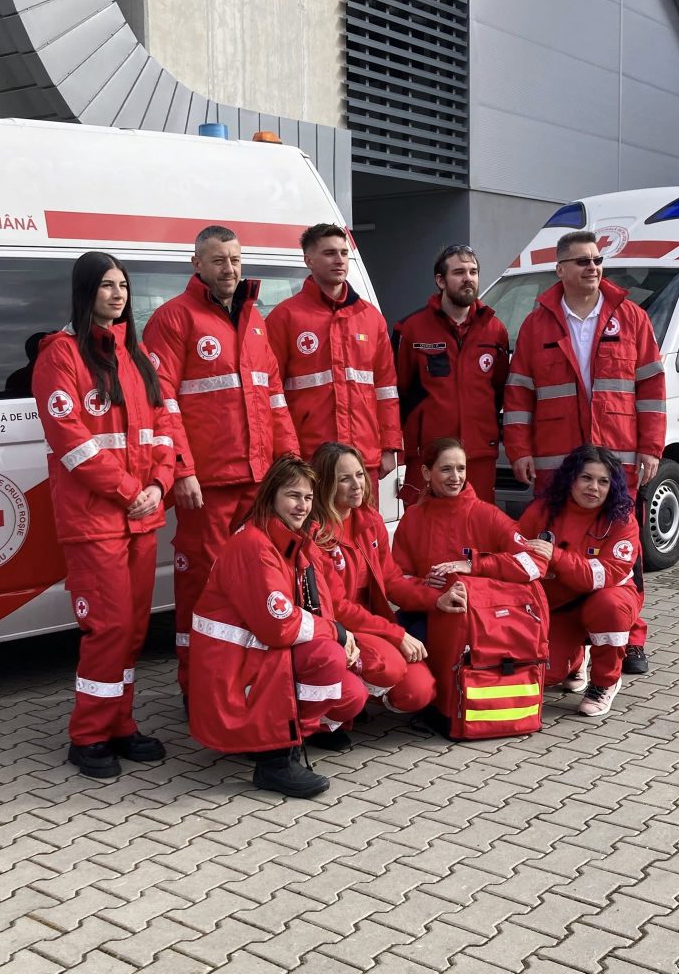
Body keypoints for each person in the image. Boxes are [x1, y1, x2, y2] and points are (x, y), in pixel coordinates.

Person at [32, 252, 175, 778]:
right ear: (85, 291)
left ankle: (120, 724)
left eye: (123, 286)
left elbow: (163, 427)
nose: (118, 295)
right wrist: (131, 489)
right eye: (107, 286)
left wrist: (159, 484)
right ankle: (88, 735)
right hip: (95, 519)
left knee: (133, 630)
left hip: (141, 515)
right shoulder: (60, 356)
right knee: (108, 628)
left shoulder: (138, 355)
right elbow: (71, 441)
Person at [143, 226, 298, 700]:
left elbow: (274, 396)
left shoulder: (254, 319)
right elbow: (161, 402)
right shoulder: (173, 318)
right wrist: (182, 469)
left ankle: (249, 679)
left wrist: (290, 464)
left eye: (234, 259)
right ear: (197, 265)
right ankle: (199, 687)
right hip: (207, 485)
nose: (229, 269)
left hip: (259, 480)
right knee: (203, 583)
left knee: (261, 579)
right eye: (218, 260)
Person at [504, 229, 666, 675]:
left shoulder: (631, 318)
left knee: (623, 554)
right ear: (560, 270)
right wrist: (519, 449)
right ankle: (564, 634)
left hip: (616, 461)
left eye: (597, 260)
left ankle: (631, 637)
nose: (593, 267)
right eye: (582, 261)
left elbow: (652, 388)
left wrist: (651, 447)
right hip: (556, 463)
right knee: (555, 551)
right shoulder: (537, 325)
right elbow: (519, 393)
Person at [188, 455, 368, 798]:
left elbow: (313, 606)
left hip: (253, 661)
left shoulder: (289, 540)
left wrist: (339, 632)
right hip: (234, 669)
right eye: (293, 496)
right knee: (327, 657)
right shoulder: (255, 546)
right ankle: (275, 758)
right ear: (271, 495)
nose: (302, 506)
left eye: (308, 497)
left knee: (352, 694)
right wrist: (336, 632)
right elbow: (278, 627)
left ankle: (282, 738)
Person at [310, 441, 467, 735]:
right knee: (389, 666)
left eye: (359, 475)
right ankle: (329, 715)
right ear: (324, 484)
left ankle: (358, 690)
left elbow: (392, 580)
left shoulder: (369, 520)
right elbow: (337, 607)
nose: (357, 485)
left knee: (419, 692)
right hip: (334, 628)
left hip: (370, 624)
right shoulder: (316, 533)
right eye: (344, 479)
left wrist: (436, 599)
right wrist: (396, 634)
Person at [266, 223, 401, 504]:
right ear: (309, 260)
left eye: (343, 253)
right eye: (329, 253)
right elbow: (271, 391)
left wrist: (389, 446)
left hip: (363, 456)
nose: (339, 260)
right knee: (316, 528)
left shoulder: (370, 317)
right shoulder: (285, 317)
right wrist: (285, 452)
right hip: (311, 457)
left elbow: (386, 388)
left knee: (365, 527)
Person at [518, 445, 642, 717]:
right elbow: (515, 552)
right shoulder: (542, 511)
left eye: (603, 481)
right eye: (586, 478)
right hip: (557, 606)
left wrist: (555, 557)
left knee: (609, 606)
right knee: (546, 675)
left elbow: (603, 575)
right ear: (571, 479)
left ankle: (605, 682)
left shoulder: (623, 521)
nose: (593, 487)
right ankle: (575, 660)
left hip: (605, 600)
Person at [392, 244, 509, 504]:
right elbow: (397, 392)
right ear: (440, 280)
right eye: (459, 272)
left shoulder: (495, 330)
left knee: (477, 523)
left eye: (473, 272)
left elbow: (499, 391)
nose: (468, 278)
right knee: (424, 523)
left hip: (478, 453)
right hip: (429, 453)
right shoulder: (410, 329)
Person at [392, 438, 547, 589]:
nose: (455, 477)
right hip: (428, 605)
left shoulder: (489, 516)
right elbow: (397, 581)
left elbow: (535, 564)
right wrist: (426, 589)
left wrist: (473, 564)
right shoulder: (412, 518)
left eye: (461, 469)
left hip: (480, 606)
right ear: (426, 473)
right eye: (446, 469)